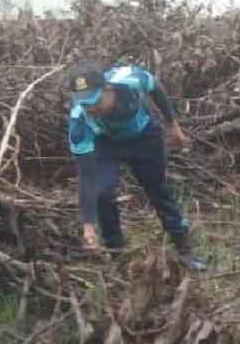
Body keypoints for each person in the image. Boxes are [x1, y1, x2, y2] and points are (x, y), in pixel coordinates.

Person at [67, 62, 206, 271]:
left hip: (145, 139)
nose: (91, 109)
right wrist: (88, 227)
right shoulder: (79, 123)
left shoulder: (129, 79)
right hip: (107, 144)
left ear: (108, 89)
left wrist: (173, 126)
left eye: (94, 102)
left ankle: (184, 249)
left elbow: (156, 89)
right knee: (102, 193)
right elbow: (87, 176)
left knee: (157, 190)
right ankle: (116, 252)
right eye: (85, 105)